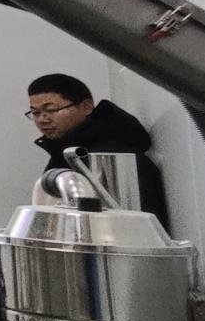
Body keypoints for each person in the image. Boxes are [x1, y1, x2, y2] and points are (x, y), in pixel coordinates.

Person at [27, 72, 169, 230]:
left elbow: (140, 228)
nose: (42, 119)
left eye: (51, 110)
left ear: (86, 107)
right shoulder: (66, 152)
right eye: (35, 113)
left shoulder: (112, 156)